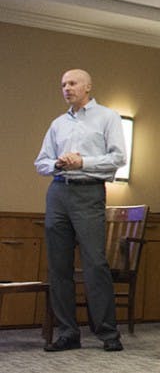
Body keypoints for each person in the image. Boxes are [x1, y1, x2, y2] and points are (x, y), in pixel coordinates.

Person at [34, 69, 126, 352]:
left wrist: (82, 162)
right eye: (63, 84)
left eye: (72, 83)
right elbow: (41, 163)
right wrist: (58, 164)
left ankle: (108, 333)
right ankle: (68, 333)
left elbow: (118, 157)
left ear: (88, 86)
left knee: (94, 263)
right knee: (58, 266)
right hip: (58, 192)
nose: (66, 88)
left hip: (88, 191)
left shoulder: (107, 117)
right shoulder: (58, 124)